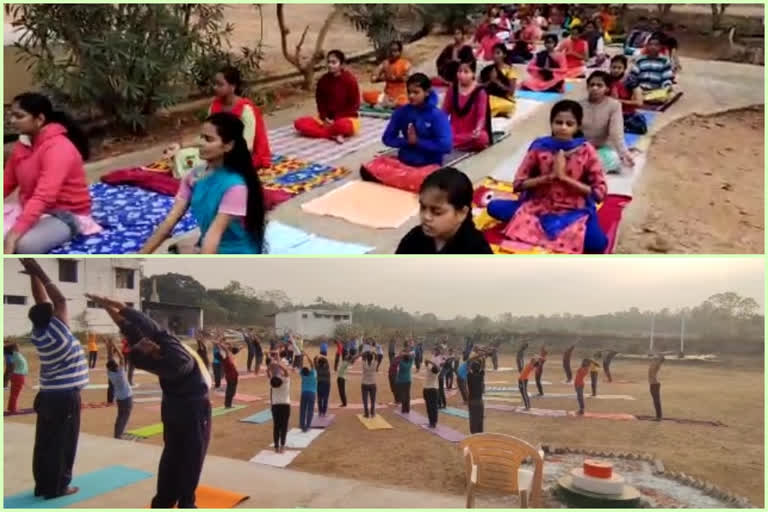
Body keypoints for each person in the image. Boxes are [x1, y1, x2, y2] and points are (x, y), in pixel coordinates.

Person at [86, 294, 211, 508]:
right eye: (143, 342)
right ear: (151, 348)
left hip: (173, 410)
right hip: (194, 411)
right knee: (192, 457)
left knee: (171, 455)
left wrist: (110, 306)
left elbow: (133, 327)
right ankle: (187, 503)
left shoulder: (147, 356)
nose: (143, 338)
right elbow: (150, 328)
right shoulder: (175, 357)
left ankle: (163, 501)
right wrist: (118, 305)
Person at [486, 100, 608, 254]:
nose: (563, 127)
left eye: (569, 124)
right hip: (539, 206)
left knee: (597, 244)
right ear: (551, 123)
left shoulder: (586, 151)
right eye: (558, 122)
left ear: (578, 126)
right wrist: (548, 177)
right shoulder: (540, 147)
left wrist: (563, 178)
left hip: (574, 210)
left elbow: (599, 193)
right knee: (493, 207)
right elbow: (518, 184)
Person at [141, 113, 267, 254]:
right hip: (208, 244)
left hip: (235, 253)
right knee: (174, 250)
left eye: (208, 139)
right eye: (201, 137)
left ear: (228, 146)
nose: (200, 143)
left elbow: (214, 235)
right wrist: (138, 257)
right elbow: (170, 221)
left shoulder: (236, 187)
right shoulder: (194, 176)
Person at [20, 258, 88, 500]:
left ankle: (43, 485)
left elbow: (43, 302)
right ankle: (59, 487)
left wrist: (32, 276)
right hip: (65, 396)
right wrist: (40, 272)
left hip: (48, 395)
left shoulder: (39, 333)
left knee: (45, 442)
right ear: (52, 317)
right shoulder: (60, 333)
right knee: (64, 443)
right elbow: (57, 299)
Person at [5, 93, 100, 254]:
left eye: (19, 116)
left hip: (65, 215)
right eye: (11, 116)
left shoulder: (59, 148)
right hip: (32, 209)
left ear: (40, 119)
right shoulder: (23, 144)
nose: (12, 121)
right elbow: (6, 182)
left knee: (25, 246)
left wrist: (14, 234)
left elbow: (44, 196)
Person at [361, 73, 453, 192]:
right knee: (369, 168)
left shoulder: (437, 116)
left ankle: (404, 182)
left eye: (416, 92)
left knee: (431, 181)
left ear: (427, 92)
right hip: (404, 163)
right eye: (409, 92)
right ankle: (405, 181)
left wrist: (418, 142)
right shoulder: (402, 112)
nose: (411, 96)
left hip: (428, 165)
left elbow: (446, 146)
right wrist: (407, 142)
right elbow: (387, 138)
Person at [396, 167, 493, 254]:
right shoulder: (413, 239)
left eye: (437, 212)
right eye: (423, 207)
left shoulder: (476, 250)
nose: (426, 217)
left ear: (462, 213)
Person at [208, 66, 272, 169]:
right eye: (214, 84)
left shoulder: (245, 109)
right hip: (219, 151)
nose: (215, 87)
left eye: (220, 84)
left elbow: (247, 146)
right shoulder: (214, 106)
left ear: (232, 87)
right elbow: (208, 134)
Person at [294, 50, 361, 144]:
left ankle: (332, 132)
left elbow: (354, 105)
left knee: (343, 126)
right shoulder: (323, 80)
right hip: (325, 120)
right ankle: (333, 134)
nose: (330, 65)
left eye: (334, 62)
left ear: (341, 64)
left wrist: (336, 119)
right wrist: (324, 117)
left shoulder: (350, 80)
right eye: (328, 62)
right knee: (299, 123)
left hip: (345, 118)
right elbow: (320, 102)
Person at [580, 71, 634, 173]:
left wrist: (625, 153)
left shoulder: (614, 105)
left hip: (604, 150)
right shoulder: (579, 105)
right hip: (582, 149)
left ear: (607, 89)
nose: (594, 88)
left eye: (599, 85)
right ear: (587, 87)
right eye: (592, 85)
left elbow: (616, 134)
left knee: (612, 158)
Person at [443, 59, 491, 153]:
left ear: (473, 74)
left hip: (472, 133)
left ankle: (449, 143)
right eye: (459, 71)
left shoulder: (480, 92)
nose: (461, 75)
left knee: (482, 138)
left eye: (466, 72)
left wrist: (477, 129)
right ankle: (449, 142)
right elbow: (444, 112)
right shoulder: (452, 89)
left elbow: (481, 116)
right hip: (454, 131)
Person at [628, 33, 676, 105]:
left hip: (656, 91)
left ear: (660, 47)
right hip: (640, 90)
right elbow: (633, 76)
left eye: (656, 45)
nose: (653, 47)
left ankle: (643, 98)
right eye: (650, 44)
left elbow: (666, 79)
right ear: (647, 46)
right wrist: (636, 88)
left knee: (671, 94)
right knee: (631, 91)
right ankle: (643, 98)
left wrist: (666, 88)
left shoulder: (664, 61)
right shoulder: (640, 60)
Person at [363, 41, 412, 109]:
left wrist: (395, 78)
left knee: (405, 102)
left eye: (395, 51)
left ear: (400, 52)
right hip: (386, 96)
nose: (392, 53)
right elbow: (373, 79)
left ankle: (387, 104)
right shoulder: (385, 63)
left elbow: (408, 78)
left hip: (400, 96)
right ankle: (388, 104)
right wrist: (384, 78)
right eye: (390, 51)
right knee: (366, 95)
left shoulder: (405, 64)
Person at [608, 55, 647, 135]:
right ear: (610, 67)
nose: (616, 70)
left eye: (619, 68)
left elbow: (639, 102)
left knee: (639, 127)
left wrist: (618, 101)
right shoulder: (606, 79)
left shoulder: (630, 80)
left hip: (625, 113)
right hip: (608, 112)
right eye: (613, 67)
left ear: (624, 69)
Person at [480, 45, 518, 118]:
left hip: (505, 99)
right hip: (490, 96)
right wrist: (490, 81)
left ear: (504, 55)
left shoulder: (510, 70)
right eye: (493, 53)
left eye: (498, 53)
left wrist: (496, 81)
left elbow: (511, 92)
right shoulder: (487, 69)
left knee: (489, 106)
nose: (494, 55)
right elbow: (479, 86)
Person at [105, 344, 133, 439]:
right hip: (127, 397)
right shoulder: (121, 372)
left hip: (120, 398)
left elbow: (110, 360)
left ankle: (117, 434)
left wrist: (109, 346)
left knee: (120, 416)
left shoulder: (110, 374)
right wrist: (115, 346)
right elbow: (121, 357)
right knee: (124, 417)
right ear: (116, 366)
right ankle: (119, 435)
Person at [269, 360, 291, 453]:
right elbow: (286, 372)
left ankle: (276, 447)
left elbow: (269, 374)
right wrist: (280, 365)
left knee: (276, 427)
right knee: (284, 426)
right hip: (285, 405)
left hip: (275, 406)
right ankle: (282, 446)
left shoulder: (272, 383)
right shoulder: (285, 382)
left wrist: (271, 367)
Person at [215, 339, 240, 408]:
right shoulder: (226, 359)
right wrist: (220, 345)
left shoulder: (225, 359)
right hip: (231, 376)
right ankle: (228, 404)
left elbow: (227, 350)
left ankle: (228, 404)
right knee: (231, 391)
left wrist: (219, 345)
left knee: (231, 391)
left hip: (232, 376)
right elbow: (226, 350)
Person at [466, 353, 487, 434]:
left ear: (472, 368)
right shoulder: (481, 376)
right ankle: (480, 437)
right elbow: (483, 366)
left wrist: (477, 356)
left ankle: (474, 437)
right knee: (480, 420)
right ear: (479, 369)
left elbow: (468, 362)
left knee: (473, 420)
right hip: (480, 402)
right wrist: (482, 357)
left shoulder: (469, 376)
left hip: (472, 402)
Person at [6, 343, 28, 414]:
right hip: (18, 376)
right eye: (18, 346)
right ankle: (13, 409)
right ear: (14, 348)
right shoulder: (15, 354)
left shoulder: (16, 354)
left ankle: (11, 408)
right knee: (15, 394)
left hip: (17, 375)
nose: (19, 347)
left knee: (14, 393)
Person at [298, 351, 317, 432]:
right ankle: (308, 425)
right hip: (312, 394)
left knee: (303, 409)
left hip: (304, 393)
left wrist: (301, 357)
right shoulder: (312, 374)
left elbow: (300, 366)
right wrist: (307, 355)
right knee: (310, 410)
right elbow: (312, 364)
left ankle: (302, 425)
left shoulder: (303, 376)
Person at [358, 350, 378, 418]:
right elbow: (377, 357)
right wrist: (374, 352)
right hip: (373, 383)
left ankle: (366, 414)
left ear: (366, 358)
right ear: (372, 358)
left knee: (365, 400)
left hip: (364, 384)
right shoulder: (374, 364)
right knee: (373, 400)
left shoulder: (364, 364)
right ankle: (372, 413)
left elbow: (363, 357)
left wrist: (365, 353)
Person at [422, 358, 440, 428]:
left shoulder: (429, 370)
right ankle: (434, 422)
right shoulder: (436, 372)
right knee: (434, 407)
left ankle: (431, 422)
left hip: (427, 390)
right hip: (434, 390)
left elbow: (426, 362)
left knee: (429, 407)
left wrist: (429, 361)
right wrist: (433, 363)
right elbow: (437, 368)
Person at [395, 349, 415, 413]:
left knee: (403, 395)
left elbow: (399, 357)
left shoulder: (401, 363)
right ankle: (407, 409)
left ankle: (404, 409)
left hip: (401, 381)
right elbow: (413, 355)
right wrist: (407, 354)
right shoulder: (410, 362)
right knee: (407, 395)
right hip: (408, 380)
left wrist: (403, 354)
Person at [315, 348, 332, 417]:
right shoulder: (326, 367)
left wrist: (318, 356)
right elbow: (326, 360)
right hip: (326, 384)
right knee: (325, 398)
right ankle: (324, 412)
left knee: (319, 398)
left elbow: (314, 360)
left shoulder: (317, 368)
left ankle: (320, 411)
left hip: (319, 383)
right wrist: (322, 356)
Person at [649, 354, 665, 420]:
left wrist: (660, 356)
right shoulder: (653, 364)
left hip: (655, 384)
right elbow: (654, 357)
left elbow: (659, 359)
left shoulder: (657, 365)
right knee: (655, 401)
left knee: (656, 401)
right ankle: (658, 416)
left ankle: (658, 417)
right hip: (653, 384)